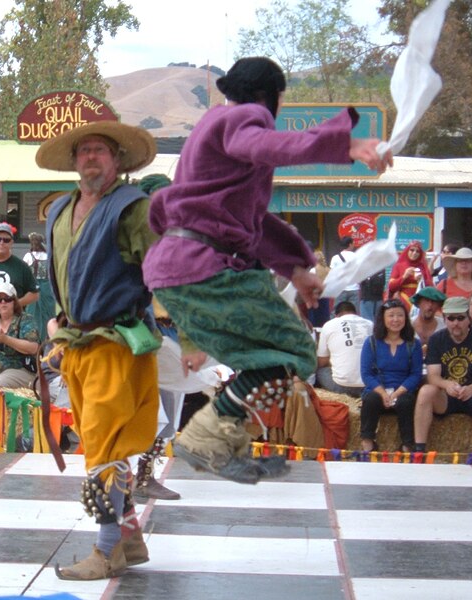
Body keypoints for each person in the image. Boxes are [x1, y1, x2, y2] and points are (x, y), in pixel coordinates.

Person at [142, 56, 392, 485]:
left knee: (260, 359)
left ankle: (228, 442)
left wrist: (296, 269)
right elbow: (265, 145)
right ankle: (206, 438)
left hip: (180, 269)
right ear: (269, 97)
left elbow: (251, 223)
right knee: (295, 347)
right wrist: (343, 146)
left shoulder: (215, 132)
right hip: (203, 267)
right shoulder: (244, 117)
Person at [36, 120, 161, 580]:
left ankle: (107, 551)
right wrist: (57, 324)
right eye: (84, 150)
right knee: (99, 445)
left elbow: (166, 271)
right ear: (73, 161)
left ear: (118, 161)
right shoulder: (59, 211)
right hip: (77, 343)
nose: (91, 157)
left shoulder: (134, 210)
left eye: (100, 150)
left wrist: (191, 336)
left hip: (116, 343)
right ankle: (130, 537)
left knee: (105, 450)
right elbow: (64, 276)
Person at [413, 296, 472, 462]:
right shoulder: (436, 339)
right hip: (446, 396)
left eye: (460, 318)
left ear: (468, 318)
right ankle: (419, 450)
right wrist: (446, 384)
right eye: (451, 318)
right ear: (445, 318)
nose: (455, 323)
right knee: (426, 391)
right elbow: (433, 375)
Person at [359, 299, 423, 453]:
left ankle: (408, 445)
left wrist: (397, 393)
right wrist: (382, 393)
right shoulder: (372, 342)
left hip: (402, 390)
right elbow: (366, 374)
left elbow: (416, 374)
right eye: (391, 316)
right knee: (371, 400)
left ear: (406, 318)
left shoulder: (413, 344)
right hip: (378, 390)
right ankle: (367, 443)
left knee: (406, 402)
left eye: (400, 315)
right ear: (383, 318)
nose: (396, 320)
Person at [315, 301, 373, 398]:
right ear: (356, 314)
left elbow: (322, 362)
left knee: (319, 371)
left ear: (336, 315)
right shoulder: (370, 324)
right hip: (369, 385)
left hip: (341, 386)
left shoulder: (329, 324)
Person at [23, 232, 54, 341]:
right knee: (48, 313)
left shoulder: (28, 256)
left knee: (33, 313)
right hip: (47, 288)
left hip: (34, 287)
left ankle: (34, 338)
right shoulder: (48, 256)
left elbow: (25, 273)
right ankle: (48, 336)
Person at [387, 241, 433, 311]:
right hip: (403, 301)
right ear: (407, 251)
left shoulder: (423, 267)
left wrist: (421, 280)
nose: (414, 253)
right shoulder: (398, 266)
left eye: (417, 251)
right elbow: (391, 286)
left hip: (420, 301)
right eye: (412, 250)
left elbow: (430, 286)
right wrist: (404, 277)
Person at [410, 287, 447, 354]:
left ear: (438, 305)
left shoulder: (445, 327)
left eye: (433, 302)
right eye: (426, 300)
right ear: (418, 303)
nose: (430, 305)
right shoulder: (407, 325)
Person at [330, 236, 360, 309]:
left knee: (337, 311)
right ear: (350, 244)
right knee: (353, 312)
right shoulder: (357, 256)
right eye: (353, 243)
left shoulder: (335, 258)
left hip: (340, 289)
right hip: (354, 288)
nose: (354, 245)